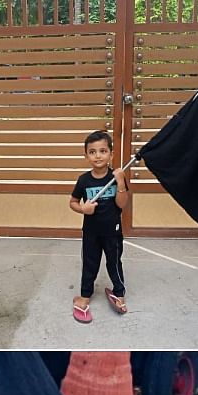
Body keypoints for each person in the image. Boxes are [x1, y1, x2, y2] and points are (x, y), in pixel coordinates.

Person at [69, 130, 131, 323]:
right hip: (91, 232)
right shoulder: (84, 180)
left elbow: (122, 204)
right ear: (86, 155)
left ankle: (119, 293)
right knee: (90, 264)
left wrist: (120, 182)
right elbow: (72, 202)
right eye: (93, 151)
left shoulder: (116, 177)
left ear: (111, 154)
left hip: (113, 232)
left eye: (103, 151)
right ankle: (85, 295)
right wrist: (83, 209)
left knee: (114, 262)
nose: (98, 155)